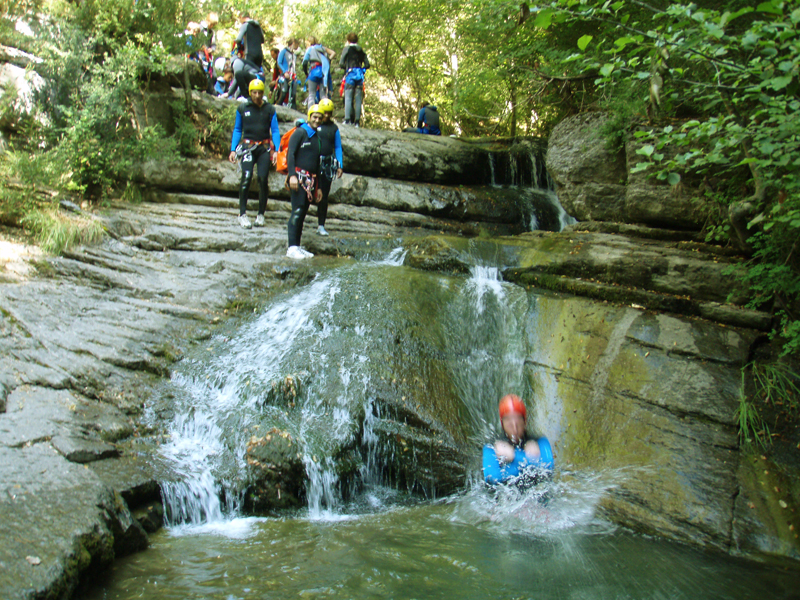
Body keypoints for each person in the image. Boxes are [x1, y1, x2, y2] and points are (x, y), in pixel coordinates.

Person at [228, 79, 281, 229]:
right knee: (246, 177)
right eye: (254, 92)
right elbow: (238, 129)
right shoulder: (243, 108)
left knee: (263, 179)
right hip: (248, 147)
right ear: (250, 93)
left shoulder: (269, 109)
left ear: (263, 93)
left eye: (259, 92)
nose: (257, 95)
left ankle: (261, 214)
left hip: (264, 148)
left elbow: (275, 131)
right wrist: (233, 149)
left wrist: (276, 150)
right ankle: (242, 214)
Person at [482, 394, 554, 487]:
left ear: (525, 422)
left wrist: (514, 455)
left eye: (518, 420)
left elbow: (548, 469)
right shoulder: (492, 446)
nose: (514, 427)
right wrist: (530, 460)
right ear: (502, 423)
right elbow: (493, 478)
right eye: (508, 421)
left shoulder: (539, 441)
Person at [284, 105, 324, 259]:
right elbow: (291, 155)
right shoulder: (300, 132)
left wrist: (318, 187)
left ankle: (297, 246)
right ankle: (291, 248)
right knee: (298, 210)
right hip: (299, 178)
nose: (317, 120)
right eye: (314, 117)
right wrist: (292, 175)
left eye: (320, 118)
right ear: (309, 117)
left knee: (303, 212)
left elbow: (318, 164)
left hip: (311, 180)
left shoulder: (317, 138)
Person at [316, 98, 343, 236]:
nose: (326, 115)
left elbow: (337, 147)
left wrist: (340, 165)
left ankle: (321, 225)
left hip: (326, 165)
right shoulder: (314, 124)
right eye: (324, 112)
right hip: (313, 164)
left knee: (324, 196)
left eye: (329, 113)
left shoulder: (334, 128)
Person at [339, 32, 370, 126]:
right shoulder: (361, 51)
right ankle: (357, 122)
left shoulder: (347, 49)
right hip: (360, 76)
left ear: (348, 40)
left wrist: (346, 68)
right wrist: (362, 69)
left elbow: (341, 63)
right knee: (358, 99)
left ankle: (347, 120)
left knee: (348, 97)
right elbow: (367, 64)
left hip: (350, 74)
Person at [302, 37, 336, 110]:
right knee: (323, 95)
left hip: (313, 71)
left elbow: (304, 62)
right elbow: (333, 53)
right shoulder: (322, 48)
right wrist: (328, 60)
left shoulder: (309, 49)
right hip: (323, 72)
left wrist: (306, 73)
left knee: (312, 94)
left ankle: (310, 114)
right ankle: (325, 113)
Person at [276, 38, 300, 109]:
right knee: (283, 93)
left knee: (293, 95)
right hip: (285, 76)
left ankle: (294, 111)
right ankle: (277, 109)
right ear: (293, 43)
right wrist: (284, 72)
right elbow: (279, 63)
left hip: (293, 76)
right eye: (297, 44)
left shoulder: (294, 55)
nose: (297, 46)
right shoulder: (283, 51)